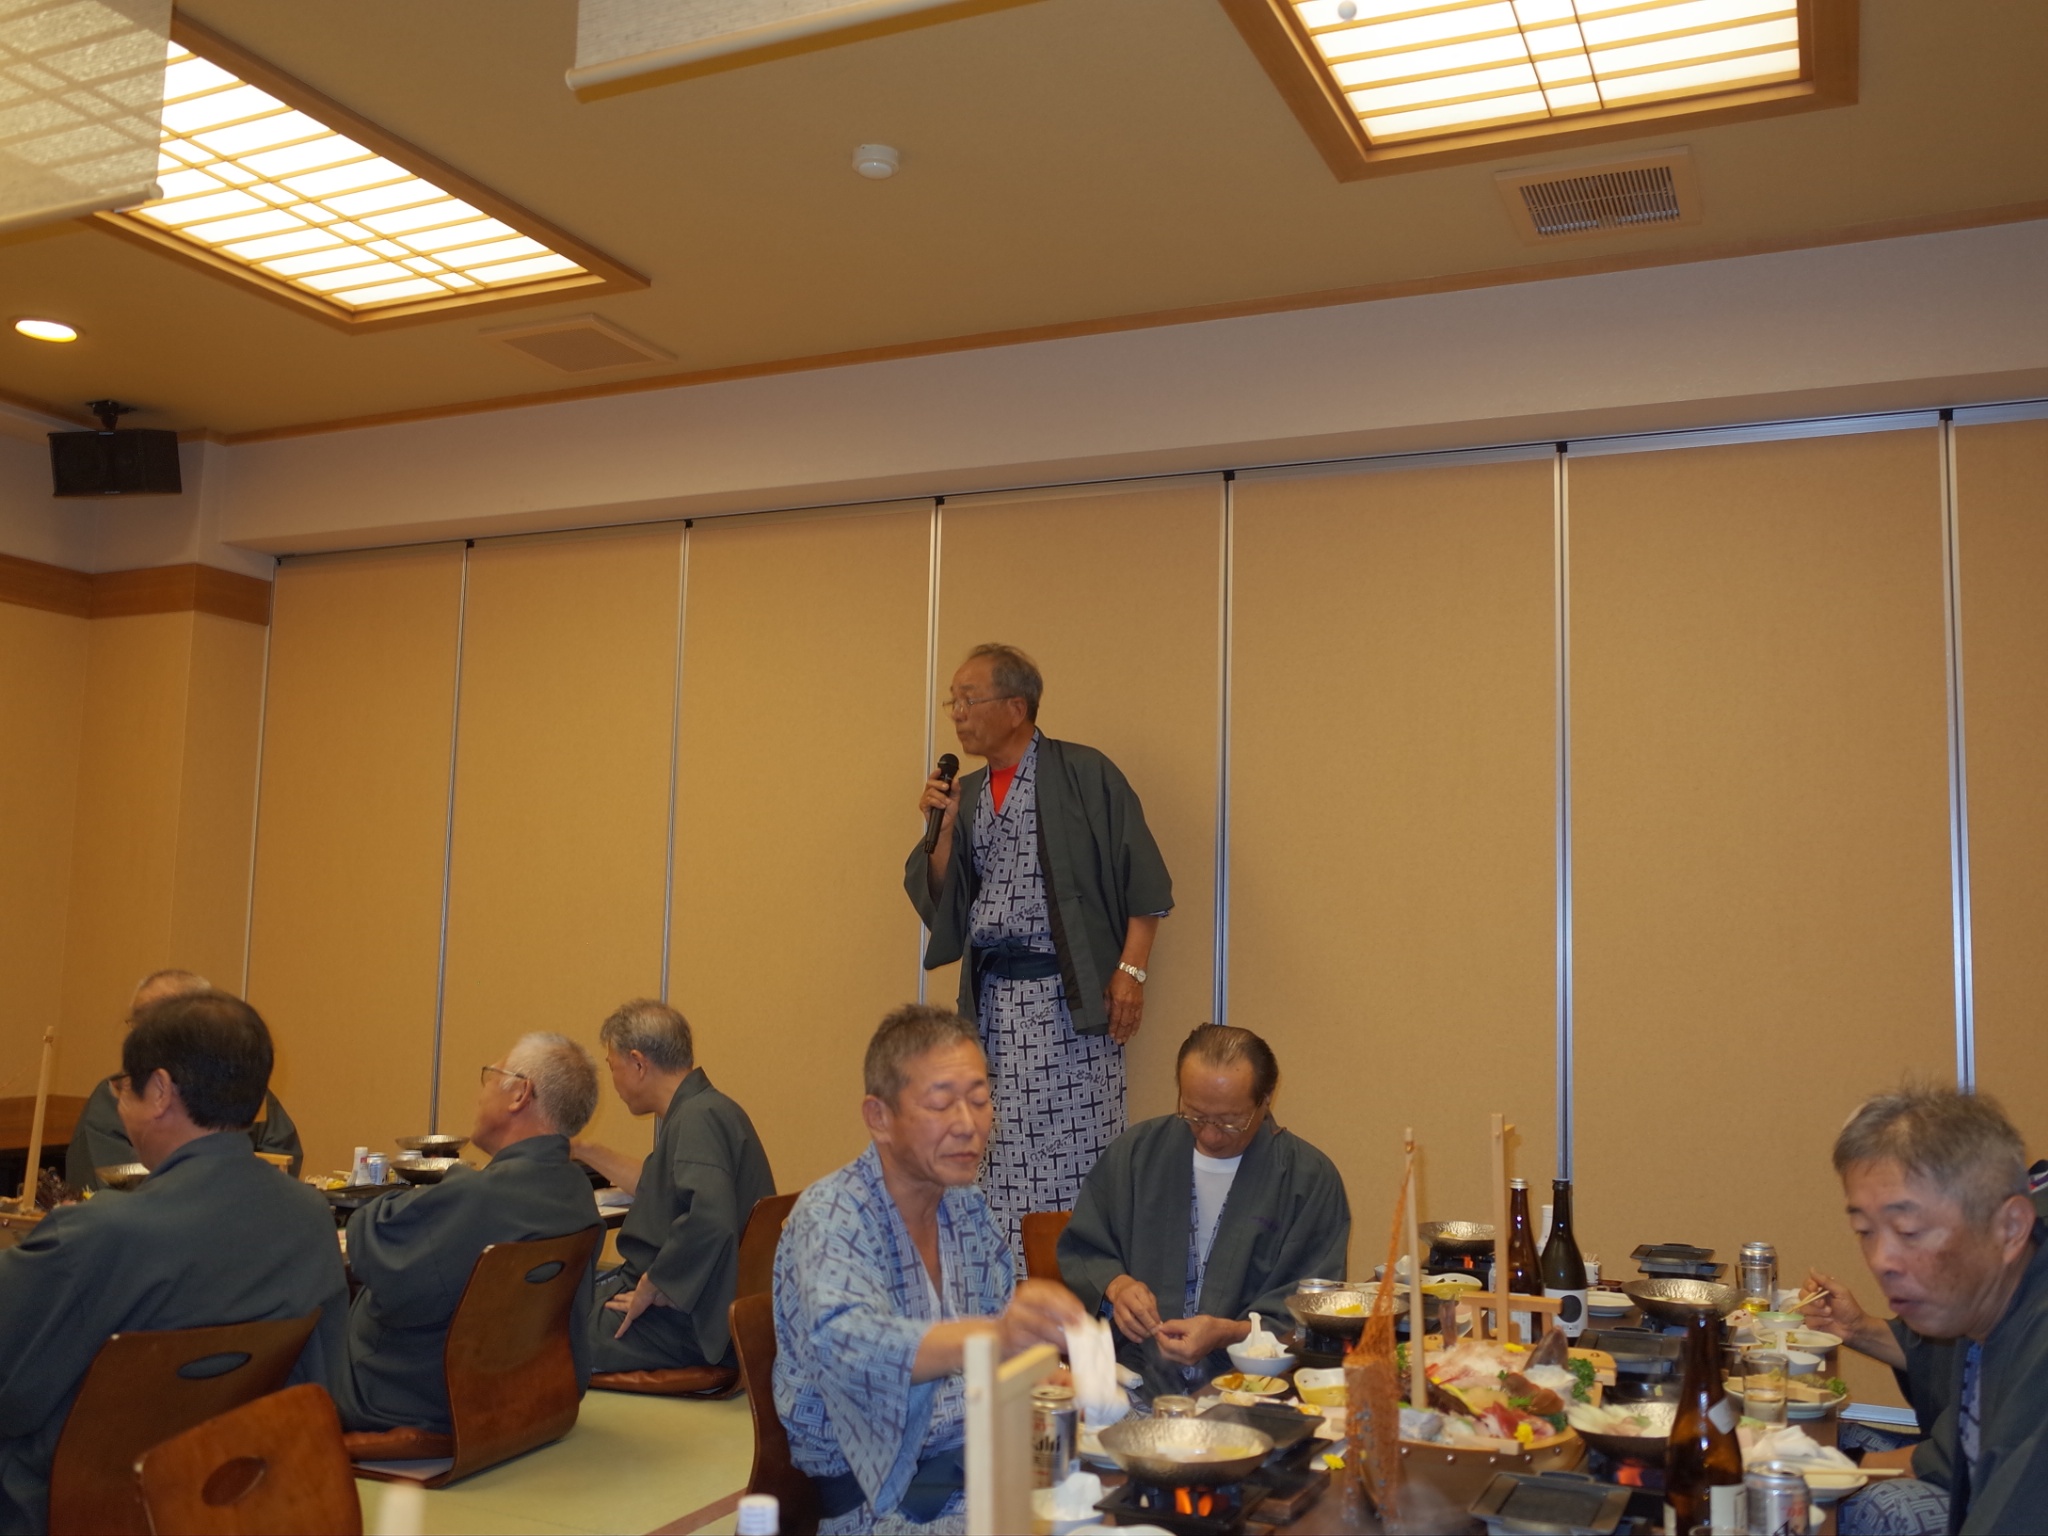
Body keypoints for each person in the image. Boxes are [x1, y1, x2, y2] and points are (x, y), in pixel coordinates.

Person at [0, 991, 346, 1535]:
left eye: (124, 1089)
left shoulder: (99, 1234)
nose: (120, 1106)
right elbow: (324, 1389)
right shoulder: (308, 1218)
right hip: (232, 1500)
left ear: (159, 1091)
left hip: (66, 1508)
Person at [774, 1004, 1086, 1534]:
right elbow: (849, 1344)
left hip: (983, 1465)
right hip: (881, 1507)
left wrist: (1040, 1371)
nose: (968, 1125)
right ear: (879, 1117)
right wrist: (995, 1337)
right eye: (942, 1104)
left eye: (980, 1101)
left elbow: (999, 1352)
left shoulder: (966, 1206)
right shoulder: (831, 1214)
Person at [906, 643, 1172, 1261]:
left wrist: (1130, 972)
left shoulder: (1085, 774)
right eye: (953, 701)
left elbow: (1144, 884)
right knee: (991, 1152)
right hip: (992, 1006)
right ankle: (1004, 1294)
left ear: (1016, 707)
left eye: (969, 699)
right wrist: (940, 831)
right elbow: (946, 903)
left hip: (1068, 1000)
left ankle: (1077, 1289)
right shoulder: (968, 793)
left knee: (1075, 1156)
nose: (957, 713)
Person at [1058, 1023, 1350, 1398]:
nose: (1210, 1134)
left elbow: (1314, 1307)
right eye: (1194, 1115)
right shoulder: (1137, 1154)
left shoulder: (1308, 1179)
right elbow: (1085, 1247)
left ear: (1266, 1100)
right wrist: (1117, 1286)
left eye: (1230, 1121)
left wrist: (1229, 1334)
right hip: (1136, 1380)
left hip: (1253, 1386)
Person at [335, 1033, 605, 1433]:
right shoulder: (575, 1189)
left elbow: (373, 1245)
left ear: (520, 1094)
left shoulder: (481, 1195)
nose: (480, 1094)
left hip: (418, 1396)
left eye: (490, 1076)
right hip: (525, 1385)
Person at [1817, 1085, 2048, 1535]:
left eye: (1909, 1231)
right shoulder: (1984, 1312)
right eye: (1865, 1230)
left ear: (2010, 1227)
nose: (1881, 1261)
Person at [570, 999, 776, 1375]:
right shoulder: (710, 1109)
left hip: (690, 1321)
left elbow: (710, 1218)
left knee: (548, 1336)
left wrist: (656, 1283)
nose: (614, 1081)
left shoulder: (697, 1120)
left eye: (612, 1066)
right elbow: (657, 1183)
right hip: (706, 1305)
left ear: (638, 1063)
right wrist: (583, 1149)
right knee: (568, 1306)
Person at [66, 968, 303, 1188]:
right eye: (141, 1021)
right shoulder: (118, 1095)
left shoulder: (240, 1087)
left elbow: (282, 1160)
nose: (149, 1033)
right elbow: (112, 1185)